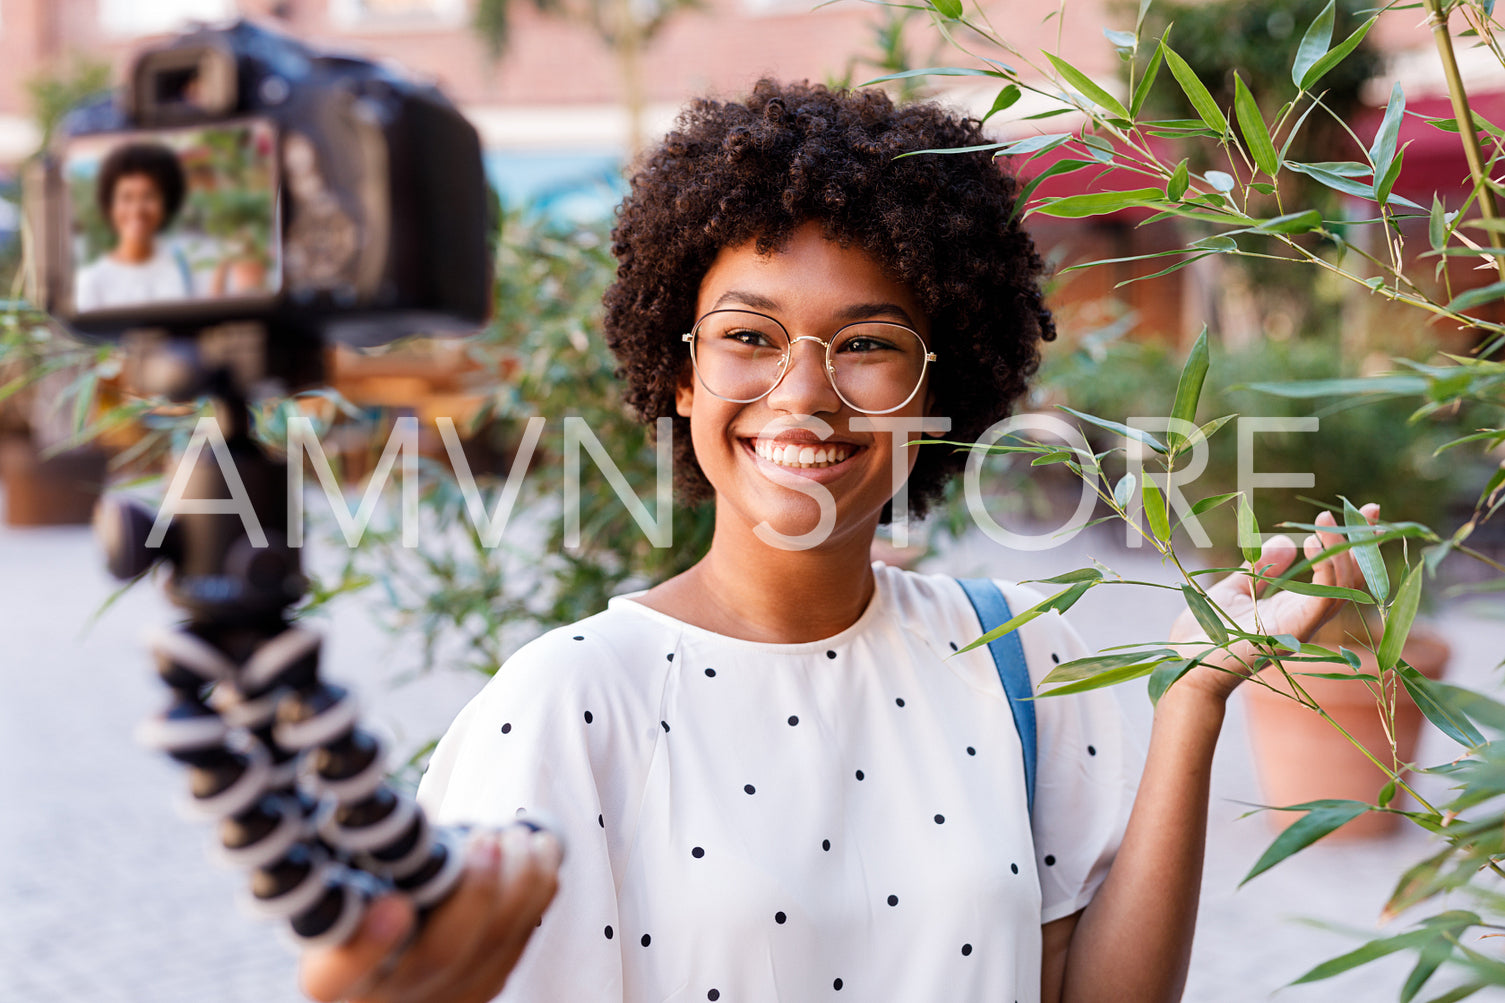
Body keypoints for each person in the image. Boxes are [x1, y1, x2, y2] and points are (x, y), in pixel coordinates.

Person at [299, 80, 1377, 1003]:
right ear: (679, 372)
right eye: (748, 337)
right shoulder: (569, 702)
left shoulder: (1010, 656)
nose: (802, 395)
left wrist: (1193, 696)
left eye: (865, 343)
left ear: (935, 390)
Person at [74, 142, 193, 311]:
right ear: (110, 205)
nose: (137, 210)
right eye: (126, 198)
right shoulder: (91, 282)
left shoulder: (181, 266)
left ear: (166, 204)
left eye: (149, 196)